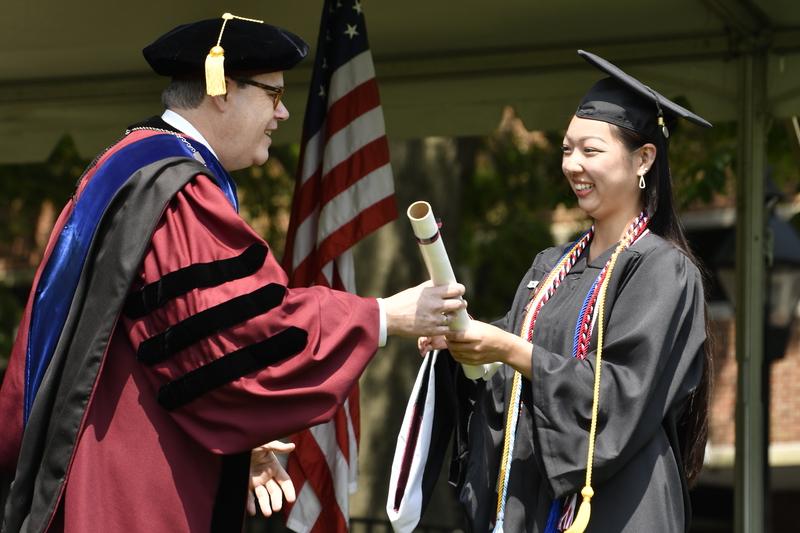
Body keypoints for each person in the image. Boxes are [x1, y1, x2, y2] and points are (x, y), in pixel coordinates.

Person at [0, 14, 465, 533]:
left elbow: (183, 356)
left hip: (115, 448)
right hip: (133, 484)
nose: (284, 112)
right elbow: (244, 329)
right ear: (221, 90)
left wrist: (238, 444)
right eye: (273, 94)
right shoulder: (176, 191)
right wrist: (381, 317)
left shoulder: (125, 169)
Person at [388, 50, 712, 533]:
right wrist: (463, 347)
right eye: (566, 149)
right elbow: (509, 372)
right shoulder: (552, 265)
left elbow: (621, 394)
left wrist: (514, 351)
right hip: (535, 498)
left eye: (591, 150)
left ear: (643, 158)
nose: (573, 165)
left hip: (622, 506)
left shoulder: (663, 270)